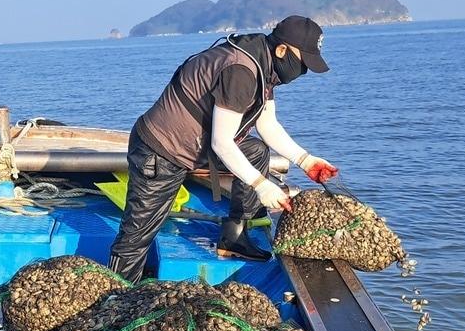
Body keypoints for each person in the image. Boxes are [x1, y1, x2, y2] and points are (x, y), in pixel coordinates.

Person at [107, 15, 340, 283]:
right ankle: (118, 294)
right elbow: (222, 143)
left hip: (197, 147)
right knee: (138, 233)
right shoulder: (241, 70)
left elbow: (268, 125)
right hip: (161, 150)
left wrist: (306, 160)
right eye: (302, 63)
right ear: (282, 50)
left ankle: (234, 237)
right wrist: (262, 185)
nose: (303, 70)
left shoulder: (264, 67)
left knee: (256, 152)